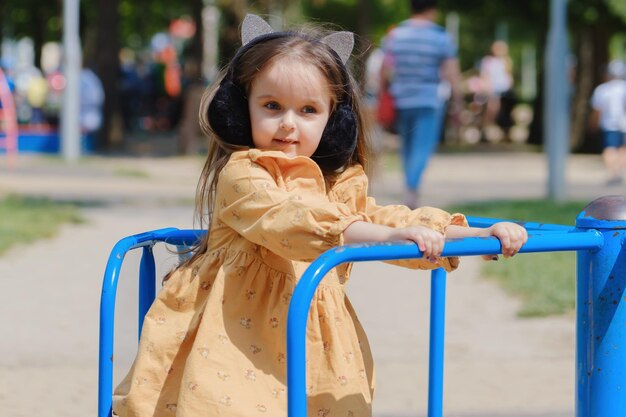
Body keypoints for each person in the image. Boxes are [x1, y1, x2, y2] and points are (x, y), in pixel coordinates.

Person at [112, 14, 527, 417]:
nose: (288, 124)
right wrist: (364, 234)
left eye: (308, 110)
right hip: (231, 336)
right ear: (242, 109)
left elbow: (389, 219)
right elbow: (285, 218)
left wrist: (473, 233)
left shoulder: (338, 184)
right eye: (272, 105)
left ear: (333, 120)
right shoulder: (243, 174)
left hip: (315, 341)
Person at [381, 0, 463, 209]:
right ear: (432, 10)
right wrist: (458, 103)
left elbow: (385, 69)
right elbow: (451, 73)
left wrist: (383, 94)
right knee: (422, 147)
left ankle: (410, 187)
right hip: (428, 99)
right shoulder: (440, 37)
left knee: (407, 147)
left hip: (401, 98)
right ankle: (411, 189)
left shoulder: (396, 35)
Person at [590, 59, 626, 186]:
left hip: (609, 123)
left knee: (609, 149)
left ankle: (612, 173)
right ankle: (619, 172)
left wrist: (593, 123)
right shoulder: (624, 88)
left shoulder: (602, 90)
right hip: (624, 124)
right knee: (622, 149)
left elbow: (598, 110)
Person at [479, 40, 514, 140]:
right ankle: (485, 129)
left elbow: (508, 76)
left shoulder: (506, 61)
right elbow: (485, 76)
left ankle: (505, 132)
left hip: (505, 90)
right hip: (493, 90)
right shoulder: (488, 61)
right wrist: (487, 88)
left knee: (505, 112)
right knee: (492, 109)